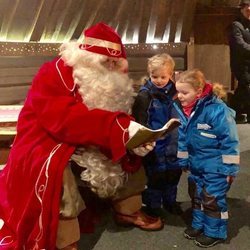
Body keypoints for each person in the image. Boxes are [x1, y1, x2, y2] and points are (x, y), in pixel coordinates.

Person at [0, 22, 163, 250]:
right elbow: (65, 118)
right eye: (105, 62)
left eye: (115, 63)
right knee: (55, 168)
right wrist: (118, 128)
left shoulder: (113, 84)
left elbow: (117, 118)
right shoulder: (52, 74)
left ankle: (128, 209)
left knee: (126, 150)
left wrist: (134, 135)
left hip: (94, 136)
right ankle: (65, 238)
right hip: (48, 140)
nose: (111, 67)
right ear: (86, 58)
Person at [174, 69, 240, 248]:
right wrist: (184, 160)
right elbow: (183, 138)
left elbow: (230, 141)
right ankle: (199, 225)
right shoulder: (185, 111)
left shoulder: (217, 110)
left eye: (184, 92)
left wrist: (230, 169)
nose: (179, 96)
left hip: (216, 167)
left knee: (212, 199)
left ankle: (215, 232)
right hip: (196, 165)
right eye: (178, 91)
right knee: (197, 195)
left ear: (198, 90)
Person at [132, 53, 182, 219]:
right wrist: (146, 138)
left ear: (171, 74)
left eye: (163, 76)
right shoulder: (145, 95)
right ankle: (153, 205)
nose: (159, 80)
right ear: (149, 75)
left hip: (174, 143)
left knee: (173, 174)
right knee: (155, 177)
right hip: (156, 144)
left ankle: (170, 201)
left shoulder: (177, 93)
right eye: (155, 76)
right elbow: (141, 120)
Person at [228, 0, 250, 123]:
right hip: (241, 64)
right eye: (247, 10)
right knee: (246, 86)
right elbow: (239, 45)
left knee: (243, 88)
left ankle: (234, 111)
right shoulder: (236, 25)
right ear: (242, 9)